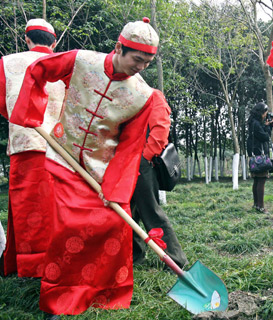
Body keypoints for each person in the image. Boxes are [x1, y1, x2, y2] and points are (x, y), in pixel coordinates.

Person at [10, 18, 170, 318]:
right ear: (119, 47)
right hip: (63, 157)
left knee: (112, 224)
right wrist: (30, 112)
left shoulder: (143, 96)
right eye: (138, 59)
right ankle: (58, 295)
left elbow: (129, 147)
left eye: (148, 62)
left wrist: (115, 190)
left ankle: (101, 291)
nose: (142, 67)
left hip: (101, 171)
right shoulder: (81, 60)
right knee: (67, 227)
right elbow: (39, 70)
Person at [0, 19, 65, 278]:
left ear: (26, 39)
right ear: (55, 42)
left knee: (28, 206)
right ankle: (19, 262)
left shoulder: (7, 63)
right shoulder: (66, 65)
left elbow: (3, 104)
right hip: (59, 148)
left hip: (26, 144)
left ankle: (40, 270)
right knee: (51, 208)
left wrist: (19, 120)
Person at [131, 149, 188, 268]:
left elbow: (160, 130)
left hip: (141, 160)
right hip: (126, 159)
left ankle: (176, 260)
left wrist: (147, 155)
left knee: (151, 211)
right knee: (130, 211)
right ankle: (136, 256)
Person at [246, 102, 273, 213]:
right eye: (265, 113)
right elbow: (265, 137)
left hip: (254, 155)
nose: (265, 115)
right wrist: (269, 128)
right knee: (261, 180)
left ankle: (256, 204)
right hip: (260, 156)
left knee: (257, 180)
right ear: (261, 113)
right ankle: (261, 207)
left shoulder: (253, 123)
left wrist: (267, 125)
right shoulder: (256, 124)